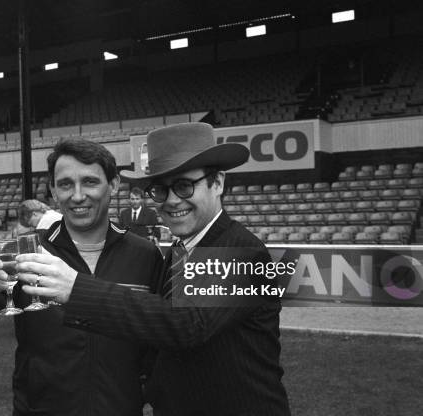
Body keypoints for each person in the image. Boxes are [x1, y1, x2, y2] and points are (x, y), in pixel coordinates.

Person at [16, 122, 291, 416]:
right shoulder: (180, 250)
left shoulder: (241, 250)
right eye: (160, 190)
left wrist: (77, 289)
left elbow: (186, 324)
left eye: (184, 185)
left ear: (218, 183)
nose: (172, 201)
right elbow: (156, 336)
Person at [0, 138, 164, 416]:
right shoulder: (24, 250)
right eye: (66, 184)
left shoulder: (145, 255)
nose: (78, 195)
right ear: (54, 192)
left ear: (114, 184)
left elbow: (160, 339)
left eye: (90, 182)